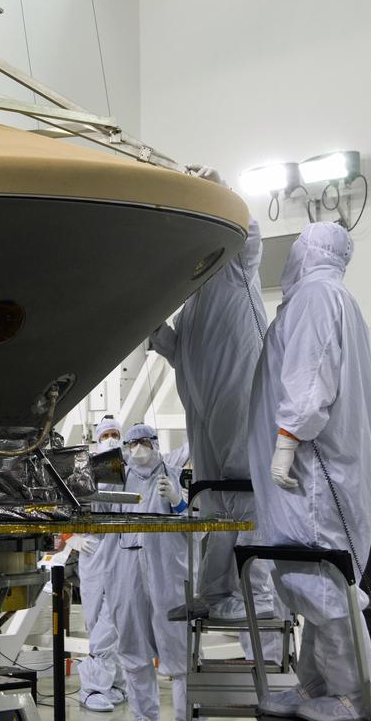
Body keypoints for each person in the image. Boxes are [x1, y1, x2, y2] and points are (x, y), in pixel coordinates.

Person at [248, 222, 371, 721]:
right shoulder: (332, 296)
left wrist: (287, 441)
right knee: (313, 581)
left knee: (319, 582)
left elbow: (311, 378)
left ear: (308, 251)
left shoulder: (316, 295)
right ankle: (316, 686)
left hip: (312, 471)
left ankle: (357, 696)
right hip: (322, 466)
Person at [151, 170, 274, 624]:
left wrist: (223, 193)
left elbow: (251, 235)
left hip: (239, 393)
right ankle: (216, 590)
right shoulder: (192, 296)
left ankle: (256, 593)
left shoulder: (235, 268)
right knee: (215, 499)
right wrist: (150, 326)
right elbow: (180, 351)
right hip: (201, 404)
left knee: (244, 490)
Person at [109, 424, 190, 721]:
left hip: (167, 573)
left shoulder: (175, 475)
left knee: (180, 648)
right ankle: (144, 717)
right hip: (127, 573)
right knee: (133, 651)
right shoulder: (118, 481)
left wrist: (178, 502)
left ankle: (188, 716)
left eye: (143, 442)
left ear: (155, 443)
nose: (138, 448)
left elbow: (199, 527)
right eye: (132, 444)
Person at [74, 416, 127, 712]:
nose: (110, 439)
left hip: (120, 547)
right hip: (92, 548)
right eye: (105, 434)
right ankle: (110, 682)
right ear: (97, 438)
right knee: (96, 619)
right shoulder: (84, 468)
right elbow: (66, 507)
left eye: (114, 433)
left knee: (114, 616)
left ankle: (95, 685)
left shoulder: (128, 468)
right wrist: (72, 539)